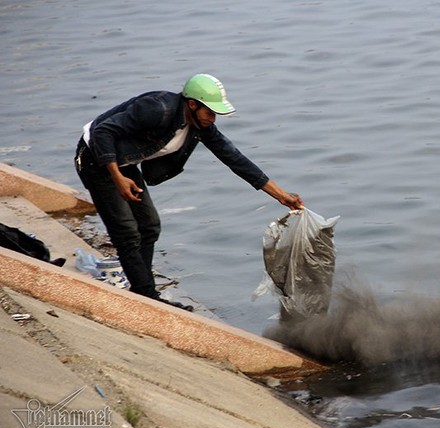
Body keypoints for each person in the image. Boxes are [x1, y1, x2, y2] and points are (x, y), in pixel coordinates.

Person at [75, 73, 304, 311]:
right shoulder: (157, 109)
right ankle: (146, 296)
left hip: (124, 163)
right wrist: (117, 178)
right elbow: (102, 132)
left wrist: (281, 196)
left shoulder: (199, 125)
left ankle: (141, 292)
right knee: (126, 232)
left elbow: (235, 159)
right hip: (96, 160)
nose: (213, 119)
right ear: (192, 104)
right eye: (209, 112)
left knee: (150, 225)